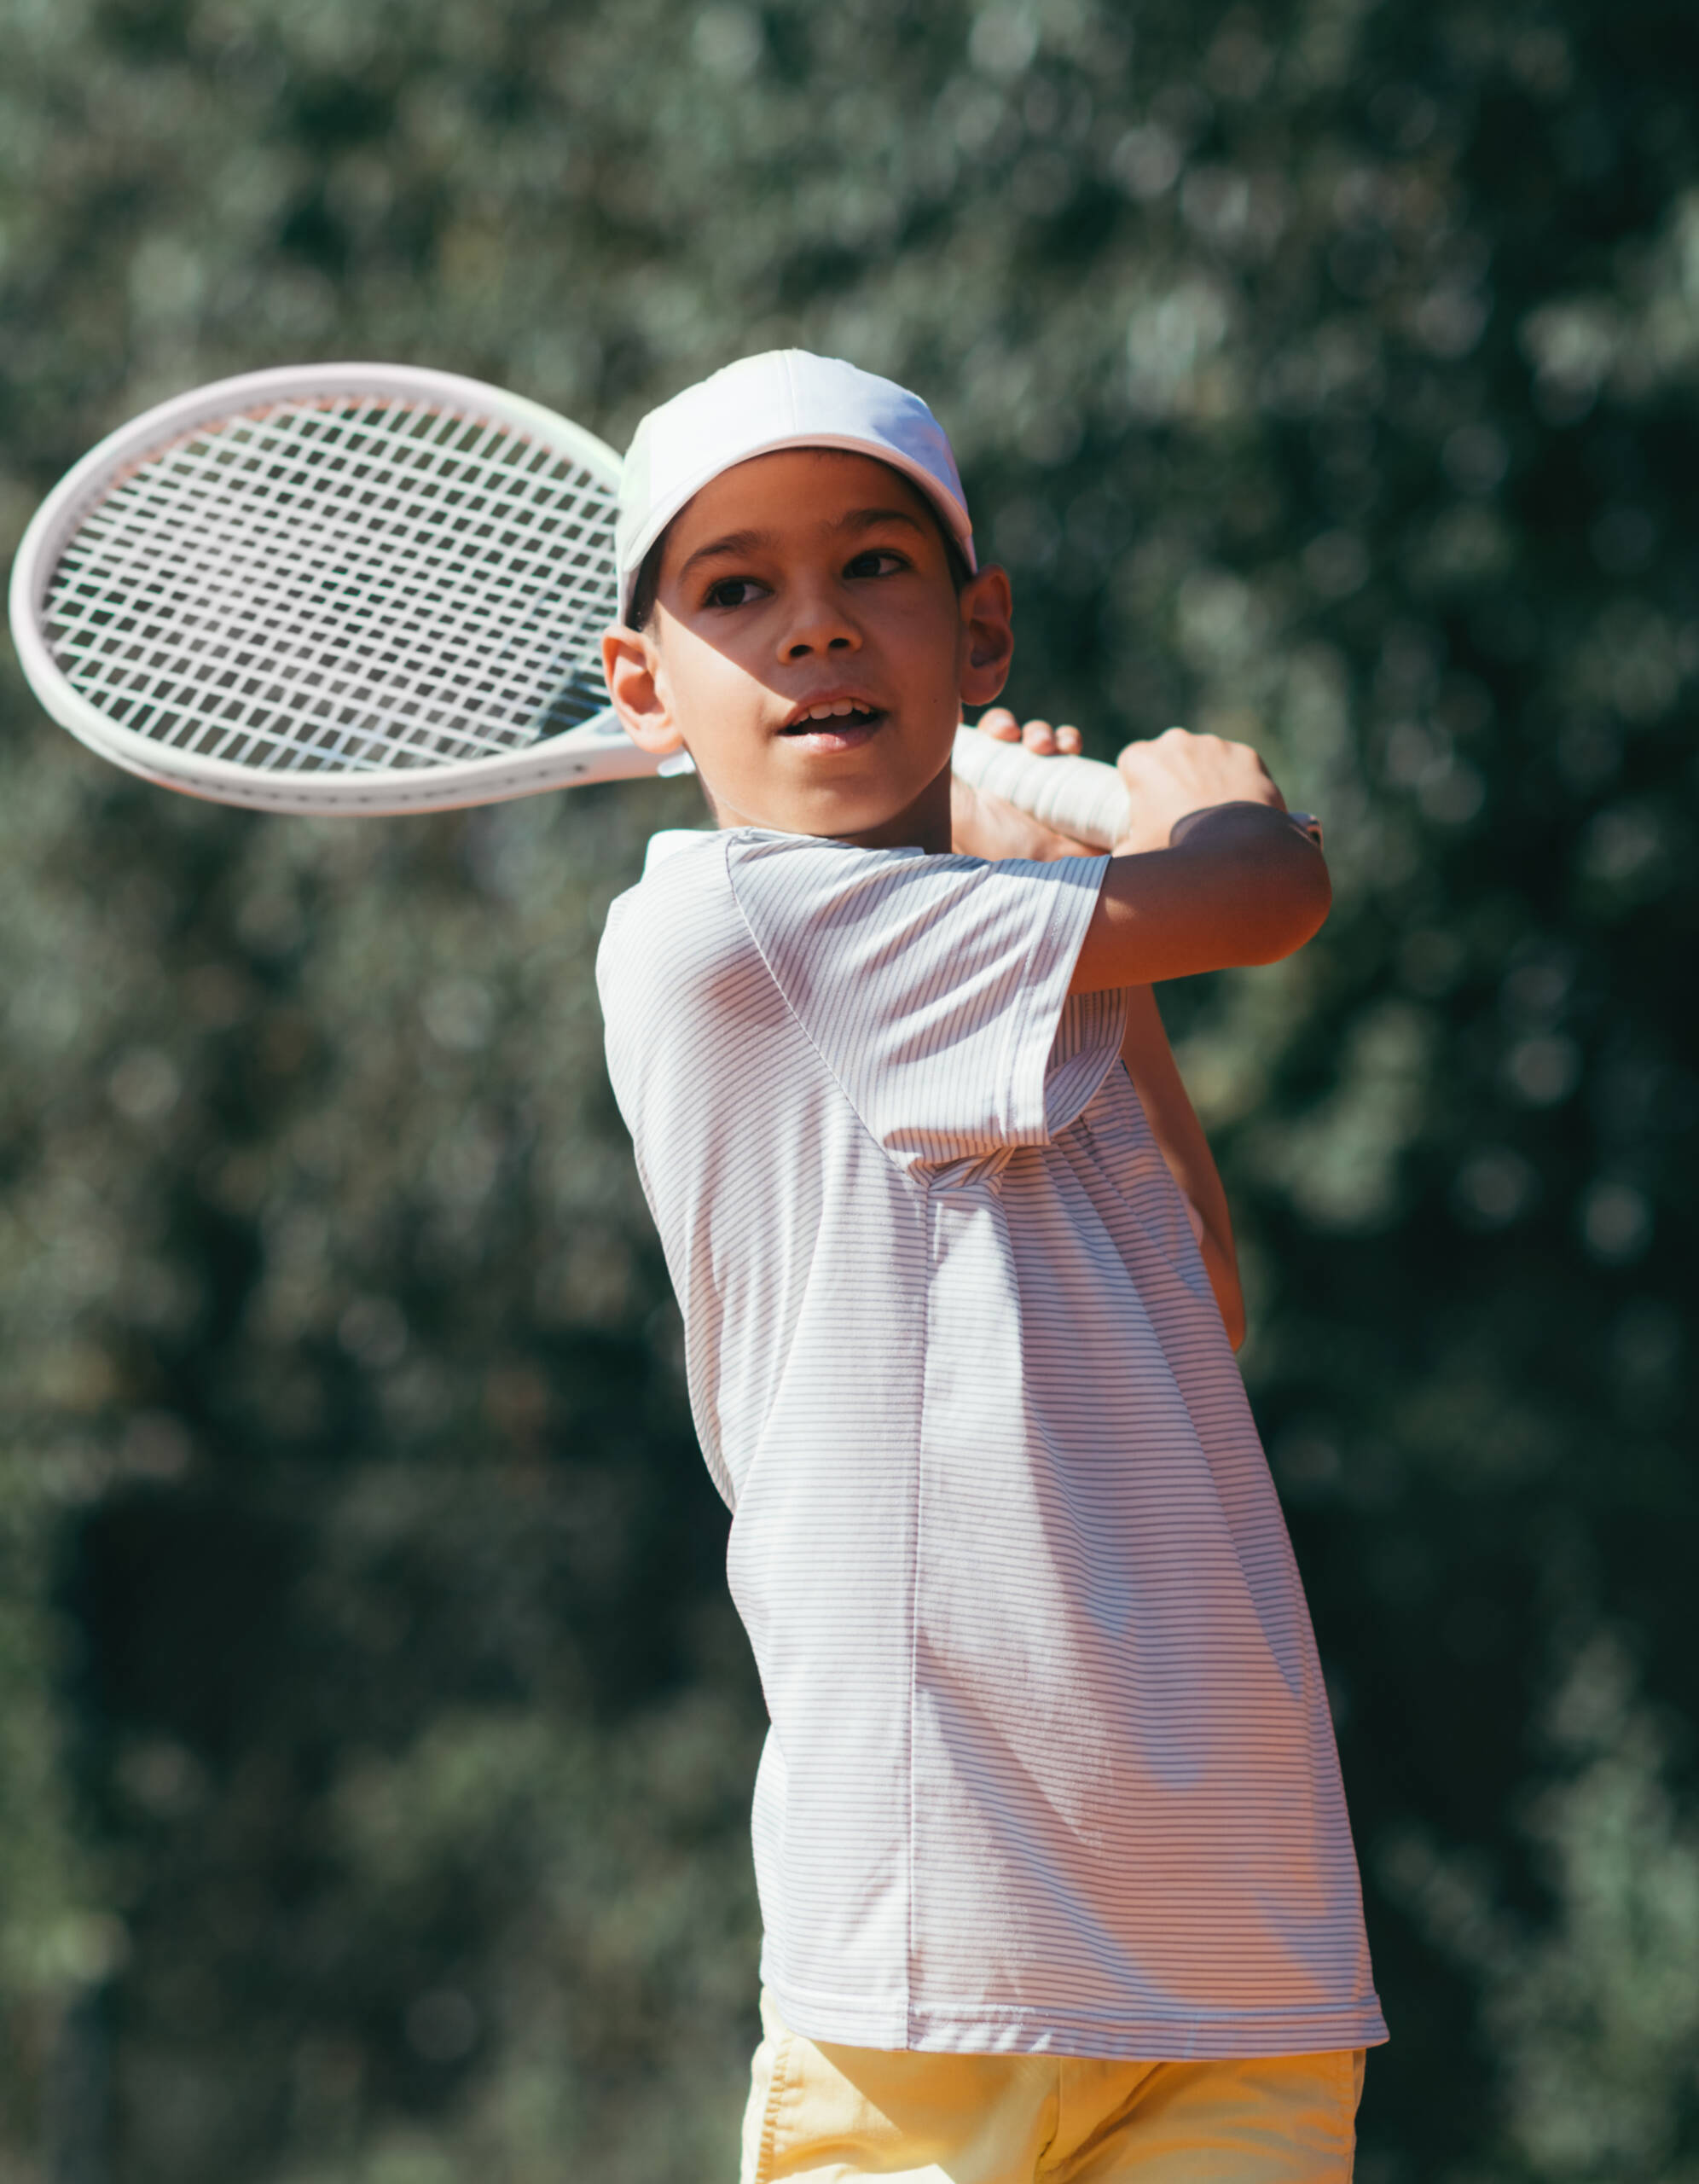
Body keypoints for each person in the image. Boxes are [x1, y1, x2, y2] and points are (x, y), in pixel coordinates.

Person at [592, 351, 1384, 2183]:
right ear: (644, 688)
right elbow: (1267, 892)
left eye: (872, 569)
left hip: (1233, 1961)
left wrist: (1080, 925)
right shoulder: (714, 925)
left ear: (978, 630)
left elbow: (1202, 1288)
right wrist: (1207, 803)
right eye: (734, 592)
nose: (813, 630)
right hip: (930, 1970)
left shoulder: (1003, 958)